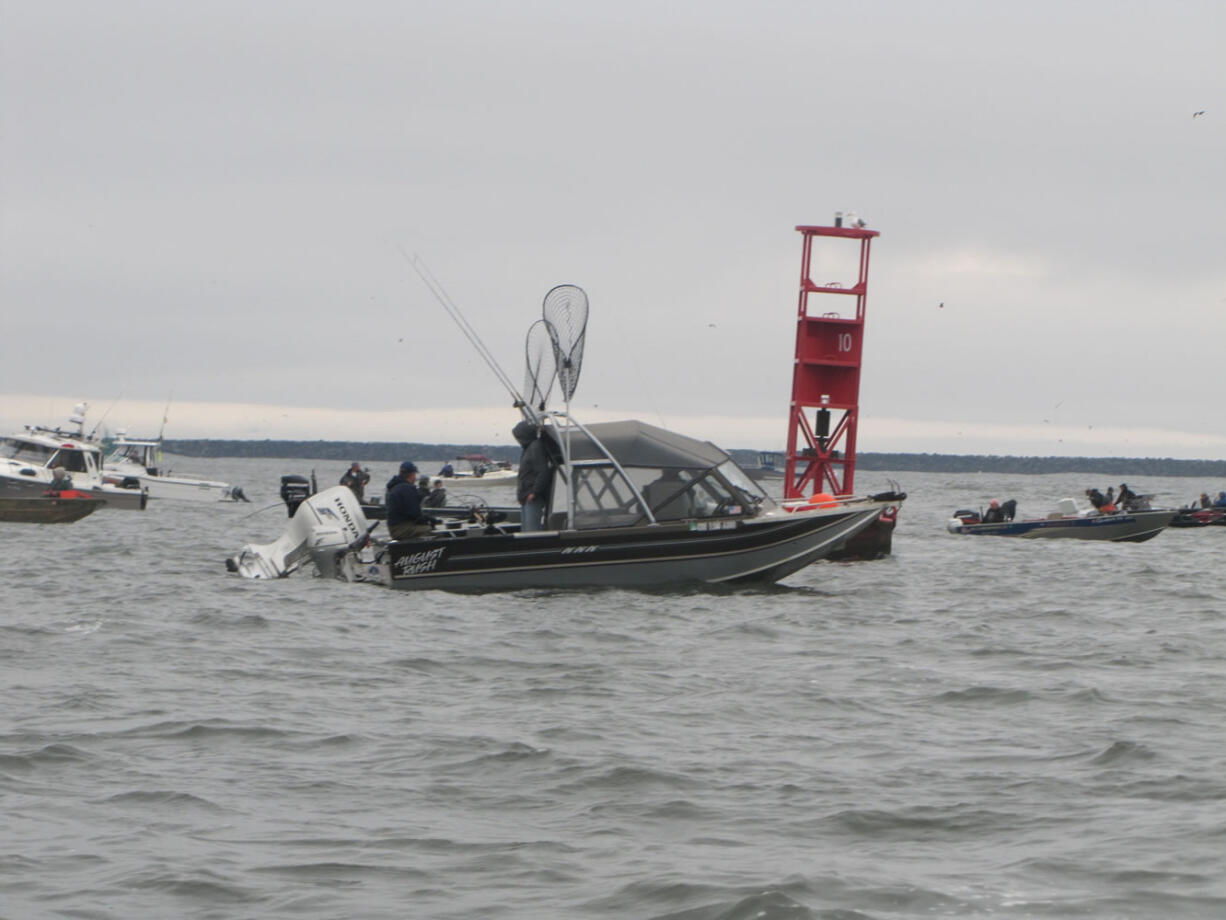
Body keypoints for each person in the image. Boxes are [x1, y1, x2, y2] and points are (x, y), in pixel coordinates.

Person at [513, 420, 553, 532]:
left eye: (519, 436)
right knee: (526, 530)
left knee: (532, 531)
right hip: (526, 495)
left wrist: (535, 492)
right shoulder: (528, 448)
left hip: (532, 496)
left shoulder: (535, 447)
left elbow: (544, 471)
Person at [386, 461, 436, 540]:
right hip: (401, 529)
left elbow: (406, 511)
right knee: (430, 530)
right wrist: (428, 519)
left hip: (393, 528)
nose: (415, 477)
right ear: (412, 474)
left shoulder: (395, 487)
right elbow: (414, 513)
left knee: (423, 527)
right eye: (415, 474)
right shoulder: (407, 488)